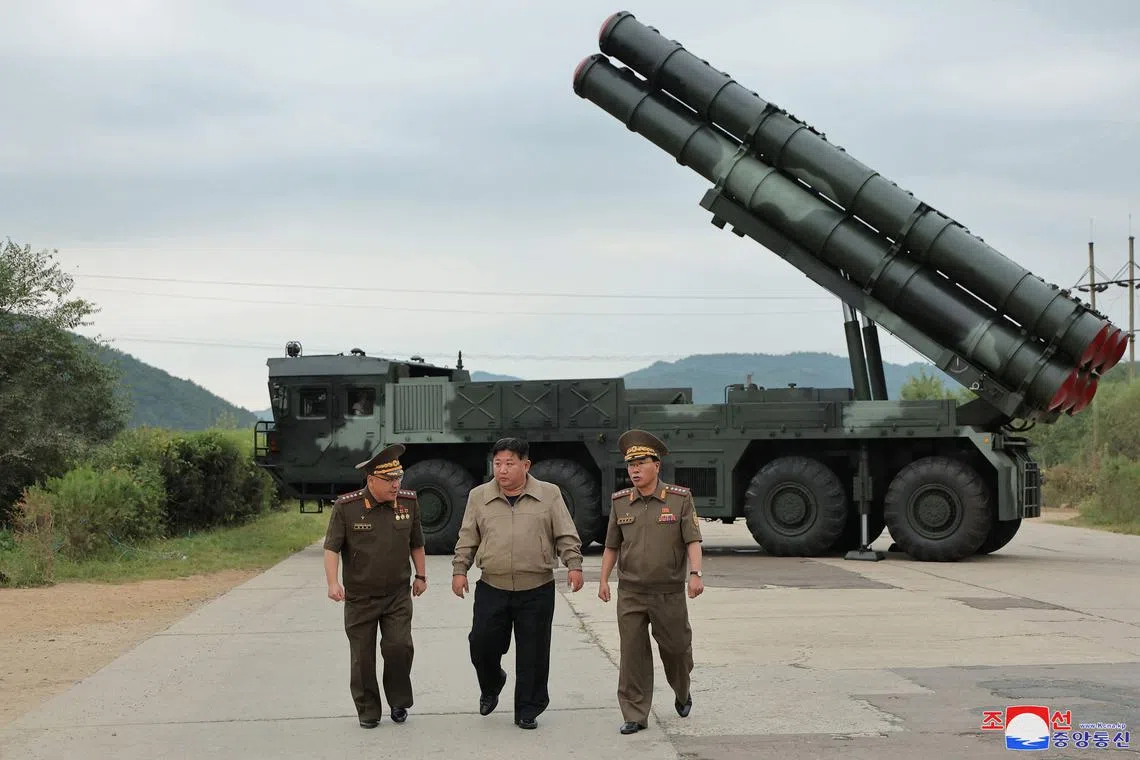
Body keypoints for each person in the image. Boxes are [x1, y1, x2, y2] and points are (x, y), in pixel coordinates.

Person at [451, 437, 585, 730]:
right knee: (481, 643)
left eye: (509, 463)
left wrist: (573, 564)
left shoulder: (549, 494)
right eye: (497, 464)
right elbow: (467, 537)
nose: (502, 470)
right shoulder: (479, 496)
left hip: (536, 587)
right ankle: (491, 683)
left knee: (534, 653)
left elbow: (565, 532)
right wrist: (460, 569)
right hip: (492, 586)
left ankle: (528, 708)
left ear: (526, 465)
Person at [598, 429, 704, 735]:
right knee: (632, 655)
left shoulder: (679, 499)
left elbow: (693, 540)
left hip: (668, 593)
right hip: (630, 592)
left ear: (656, 465)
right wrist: (603, 579)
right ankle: (635, 713)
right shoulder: (621, 503)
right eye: (630, 465)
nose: (634, 469)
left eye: (641, 462)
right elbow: (611, 546)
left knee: (676, 650)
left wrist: (695, 575)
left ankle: (682, 690)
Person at [323, 443, 428, 729]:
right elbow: (331, 548)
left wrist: (421, 576)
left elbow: (416, 542)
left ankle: (398, 702)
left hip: (397, 595)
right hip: (360, 598)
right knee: (362, 658)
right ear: (371, 481)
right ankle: (368, 709)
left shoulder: (408, 502)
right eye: (390, 480)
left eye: (399, 479)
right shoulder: (348, 507)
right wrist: (333, 583)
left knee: (399, 647)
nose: (396, 485)